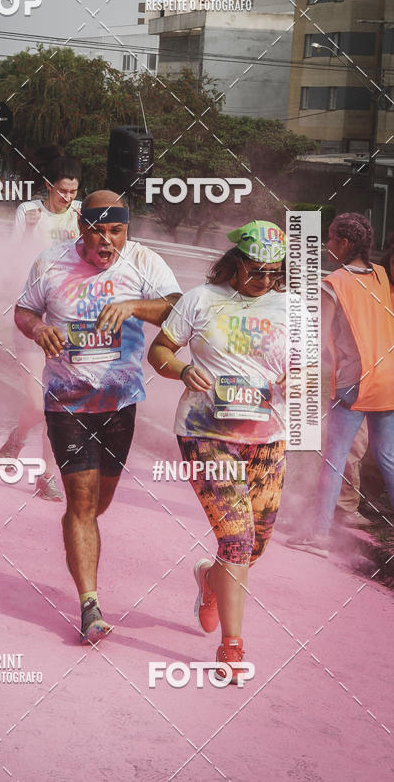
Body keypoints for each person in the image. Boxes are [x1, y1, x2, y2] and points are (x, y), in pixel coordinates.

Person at [15, 189, 181, 643]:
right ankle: (90, 606)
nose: (106, 241)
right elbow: (24, 311)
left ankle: (79, 529)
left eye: (116, 231)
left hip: (119, 402)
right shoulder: (51, 262)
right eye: (97, 231)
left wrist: (134, 307)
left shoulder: (142, 261)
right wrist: (39, 328)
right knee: (82, 503)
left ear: (127, 230)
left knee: (99, 503)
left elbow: (177, 307)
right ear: (80, 228)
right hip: (67, 400)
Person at [148, 220, 291, 684]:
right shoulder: (200, 300)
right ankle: (232, 648)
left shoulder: (291, 308)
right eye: (256, 270)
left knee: (255, 544)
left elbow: (309, 372)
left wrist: (296, 381)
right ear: (236, 262)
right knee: (237, 540)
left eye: (274, 271)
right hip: (205, 433)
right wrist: (181, 370)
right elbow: (160, 351)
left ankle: (211, 579)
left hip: (268, 439)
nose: (265, 279)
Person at [287, 213, 394, 558]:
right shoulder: (381, 275)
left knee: (333, 459)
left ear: (345, 243)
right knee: (388, 457)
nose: (327, 244)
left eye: (331, 238)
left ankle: (319, 535)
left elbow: (317, 339)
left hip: (354, 382)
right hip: (388, 379)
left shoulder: (333, 284)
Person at [0, 150, 82, 501]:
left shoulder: (81, 216)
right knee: (37, 403)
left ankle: (46, 477)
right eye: (62, 191)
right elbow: (10, 259)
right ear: (48, 186)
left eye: (73, 191)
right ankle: (16, 440)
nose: (68, 198)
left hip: (68, 321)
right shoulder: (28, 212)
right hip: (32, 318)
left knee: (56, 404)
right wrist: (30, 231)